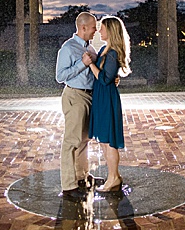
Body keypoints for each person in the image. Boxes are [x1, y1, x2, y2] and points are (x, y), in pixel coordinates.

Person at [55, 11, 99, 192]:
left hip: (89, 96)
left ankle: (81, 176)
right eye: (93, 28)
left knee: (84, 139)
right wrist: (82, 63)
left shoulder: (91, 48)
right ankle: (68, 185)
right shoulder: (68, 48)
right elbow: (60, 76)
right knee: (71, 141)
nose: (95, 31)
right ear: (83, 28)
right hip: (75, 96)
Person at [87, 15, 131, 193]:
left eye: (102, 28)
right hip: (102, 97)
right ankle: (113, 176)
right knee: (104, 141)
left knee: (109, 140)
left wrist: (90, 64)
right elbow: (109, 75)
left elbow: (105, 79)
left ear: (110, 31)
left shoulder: (112, 53)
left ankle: (113, 177)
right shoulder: (106, 49)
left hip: (106, 97)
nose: (99, 30)